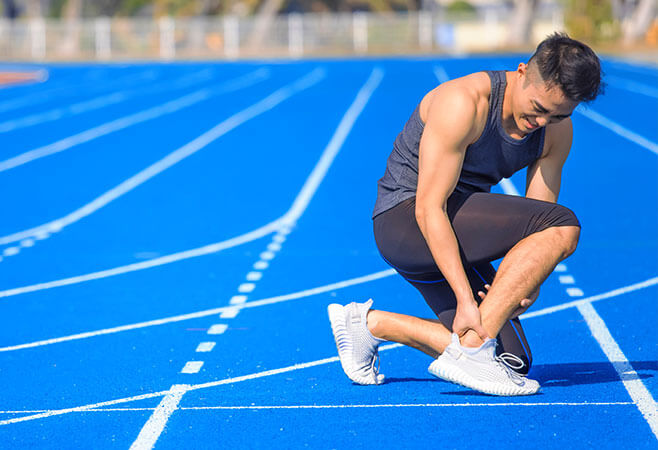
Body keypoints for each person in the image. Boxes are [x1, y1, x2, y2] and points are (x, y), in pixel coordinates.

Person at [327, 33, 603, 396]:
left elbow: (537, 220)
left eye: (558, 114)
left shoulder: (555, 131)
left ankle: (370, 324)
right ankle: (472, 350)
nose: (542, 121)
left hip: (459, 231)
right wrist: (465, 299)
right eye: (537, 107)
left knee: (510, 360)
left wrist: (526, 282)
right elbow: (429, 208)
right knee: (565, 225)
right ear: (521, 72)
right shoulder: (464, 103)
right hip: (407, 221)